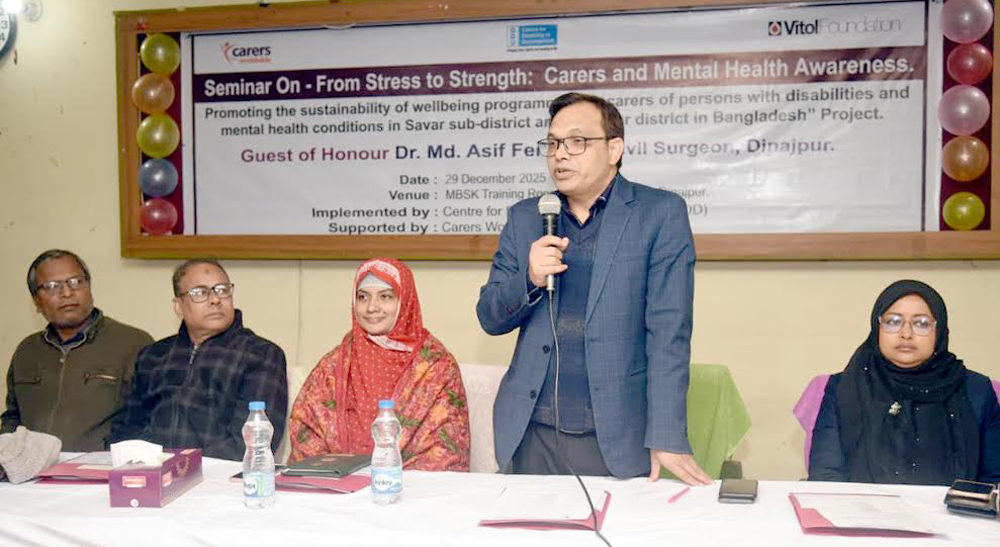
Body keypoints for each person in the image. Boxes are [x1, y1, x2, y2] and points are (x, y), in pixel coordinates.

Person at [476, 92, 712, 485]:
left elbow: (669, 334)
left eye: (576, 142)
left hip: (615, 436)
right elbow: (489, 316)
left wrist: (667, 435)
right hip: (531, 432)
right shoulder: (526, 218)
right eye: (553, 143)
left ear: (614, 149)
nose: (560, 155)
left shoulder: (658, 214)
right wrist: (529, 279)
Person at [809, 280, 1000, 485]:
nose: (906, 334)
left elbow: (993, 482)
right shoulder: (845, 387)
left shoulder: (976, 390)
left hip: (955, 506)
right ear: (877, 327)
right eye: (893, 321)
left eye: (921, 323)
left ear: (939, 330)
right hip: (857, 505)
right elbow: (825, 477)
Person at [289, 258, 470, 471]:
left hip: (411, 487)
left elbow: (445, 448)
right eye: (363, 297)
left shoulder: (436, 367)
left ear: (405, 301)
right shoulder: (333, 366)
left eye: (385, 296)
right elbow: (306, 430)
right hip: (335, 485)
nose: (372, 307)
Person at [109, 259, 288, 460]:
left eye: (222, 290)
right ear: (179, 306)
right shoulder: (152, 356)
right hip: (147, 470)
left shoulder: (261, 354)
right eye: (200, 293)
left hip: (219, 474)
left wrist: (183, 467)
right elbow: (126, 428)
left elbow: (252, 444)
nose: (215, 299)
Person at [2, 250, 153, 451]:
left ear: (89, 287)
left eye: (75, 282)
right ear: (36, 301)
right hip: (32, 469)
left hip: (103, 467)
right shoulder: (27, 351)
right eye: (52, 286)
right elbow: (13, 418)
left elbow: (149, 418)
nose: (67, 293)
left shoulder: (133, 342)